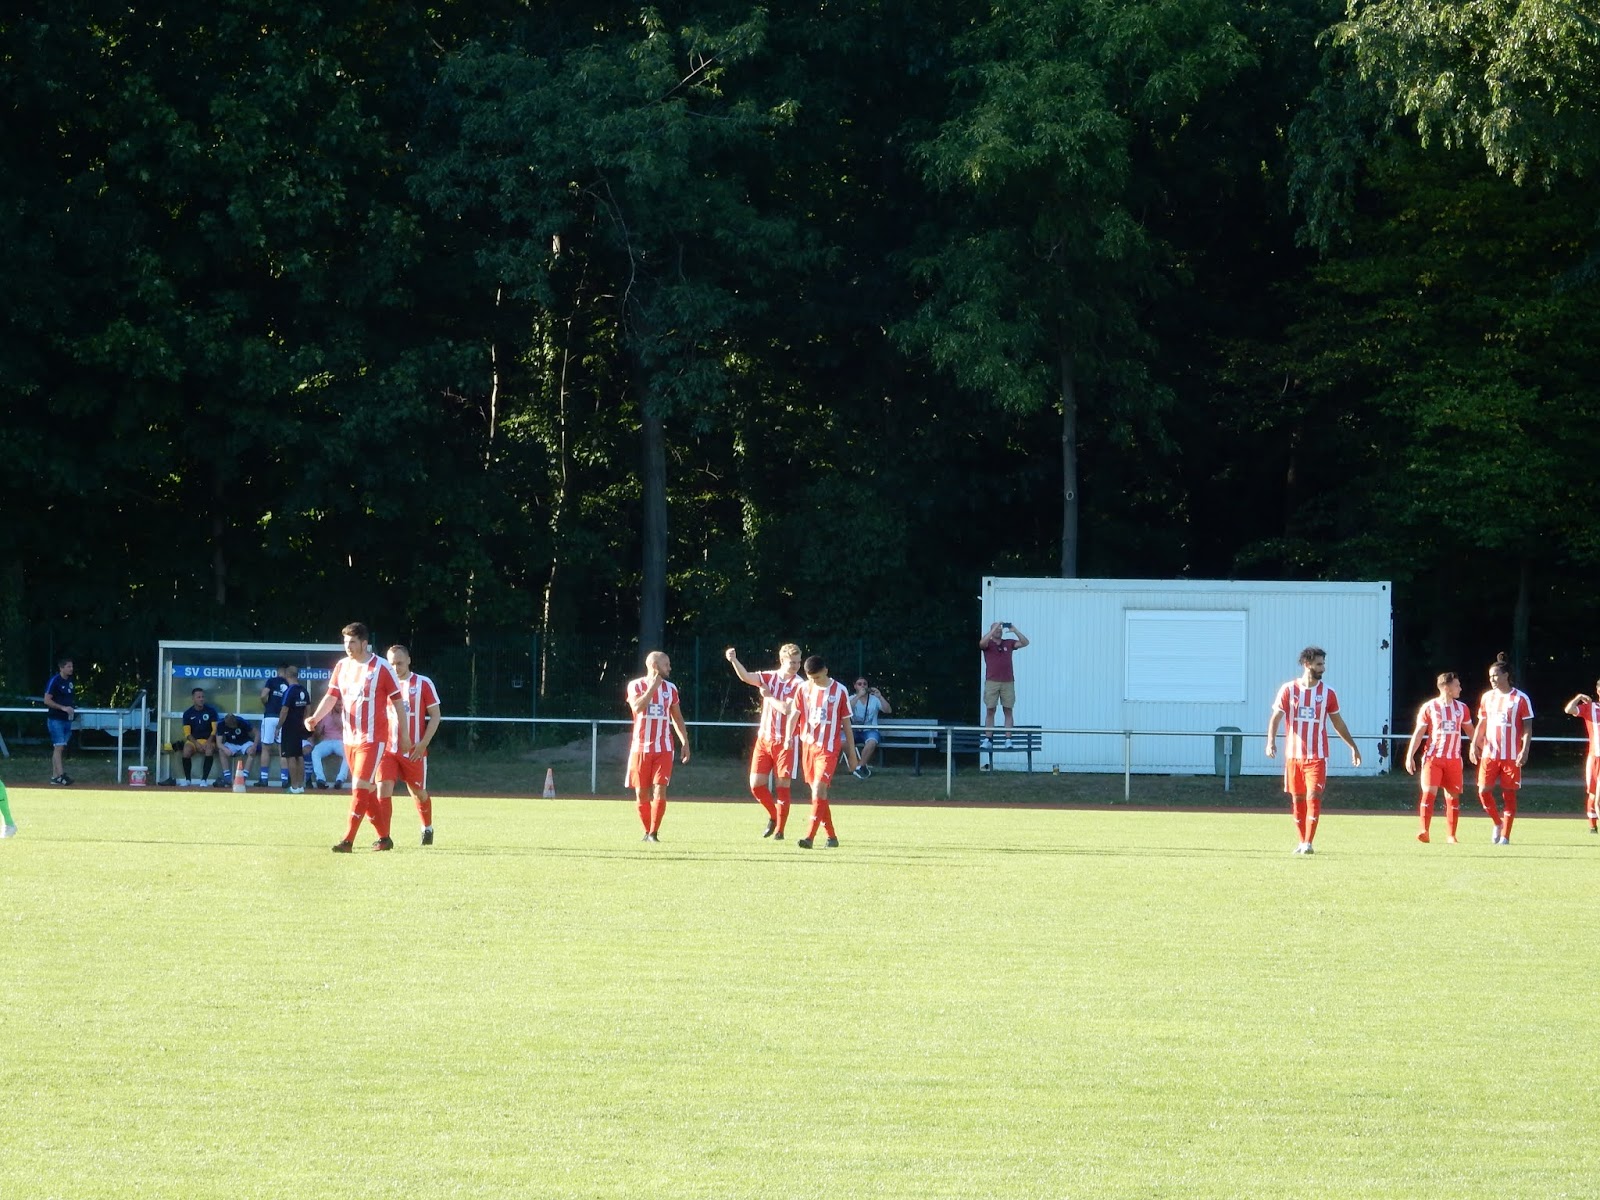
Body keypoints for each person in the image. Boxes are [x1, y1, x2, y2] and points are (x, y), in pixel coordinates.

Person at [303, 622, 411, 853]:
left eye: (352, 642)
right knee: (368, 791)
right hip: (349, 738)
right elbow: (331, 697)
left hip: (373, 738)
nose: (348, 646)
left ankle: (347, 840)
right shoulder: (342, 666)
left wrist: (404, 734)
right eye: (345, 642)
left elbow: (398, 703)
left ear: (364, 643)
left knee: (359, 786)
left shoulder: (381, 668)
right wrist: (315, 718)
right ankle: (384, 838)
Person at [1265, 645, 1363, 854]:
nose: (1323, 668)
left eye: (1323, 664)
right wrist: (1270, 741)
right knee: (1297, 799)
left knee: (1313, 796)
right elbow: (1276, 717)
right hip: (1293, 756)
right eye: (1319, 664)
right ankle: (1301, 841)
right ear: (1307, 664)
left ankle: (1308, 843)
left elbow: (1338, 723)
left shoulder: (1328, 693)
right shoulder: (1288, 690)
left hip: (1317, 756)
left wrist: (1352, 747)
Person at [725, 643, 804, 838]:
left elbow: (787, 709)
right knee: (756, 784)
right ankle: (774, 815)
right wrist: (734, 660)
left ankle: (780, 831)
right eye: (792, 662)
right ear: (782, 660)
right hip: (765, 738)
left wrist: (767, 697)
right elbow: (746, 677)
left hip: (787, 741)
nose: (796, 666)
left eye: (798, 662)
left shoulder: (799, 685)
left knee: (782, 786)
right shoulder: (770, 676)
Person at [786, 653, 863, 849]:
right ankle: (832, 837)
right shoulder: (803, 689)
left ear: (826, 671)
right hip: (808, 747)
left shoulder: (840, 691)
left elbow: (847, 725)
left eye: (818, 678)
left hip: (828, 748)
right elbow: (794, 715)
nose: (814, 681)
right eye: (811, 678)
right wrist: (788, 738)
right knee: (817, 794)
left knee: (819, 788)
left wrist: (852, 756)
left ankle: (809, 838)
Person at [626, 651, 690, 842]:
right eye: (666, 664)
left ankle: (654, 833)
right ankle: (647, 831)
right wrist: (652, 687)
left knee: (660, 788)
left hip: (664, 748)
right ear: (655, 666)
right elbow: (637, 707)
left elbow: (677, 718)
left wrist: (685, 742)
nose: (669, 668)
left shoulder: (671, 689)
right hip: (640, 748)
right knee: (641, 792)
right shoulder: (635, 685)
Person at [380, 645, 442, 845]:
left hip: (414, 750)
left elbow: (435, 716)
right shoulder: (383, 685)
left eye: (399, 663)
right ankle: (384, 836)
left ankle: (427, 827)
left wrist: (423, 744)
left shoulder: (423, 683)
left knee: (418, 792)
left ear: (408, 660)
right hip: (388, 749)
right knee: (383, 790)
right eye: (391, 664)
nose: (395, 667)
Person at [1470, 652, 1533, 845]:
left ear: (1506, 675)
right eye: (1490, 676)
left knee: (1508, 794)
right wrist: (1474, 744)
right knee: (1483, 791)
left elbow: (1527, 728)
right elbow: (1482, 723)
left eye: (1496, 675)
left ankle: (1505, 836)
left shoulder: (1521, 699)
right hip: (1490, 753)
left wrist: (1525, 750)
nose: (1492, 680)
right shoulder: (1487, 697)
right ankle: (1497, 823)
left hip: (1511, 755)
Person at [1403, 672, 1474, 843]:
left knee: (1453, 796)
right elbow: (1419, 733)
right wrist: (1409, 755)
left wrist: (1479, 747)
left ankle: (1451, 835)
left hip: (1453, 759)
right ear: (1446, 688)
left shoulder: (1462, 708)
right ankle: (1424, 831)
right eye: (1457, 685)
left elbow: (1471, 731)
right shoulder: (1429, 707)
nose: (1460, 688)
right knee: (1429, 793)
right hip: (1433, 758)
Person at [979, 622, 1029, 749]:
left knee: (1008, 709)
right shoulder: (988, 644)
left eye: (1000, 629)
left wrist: (1015, 630)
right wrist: (992, 630)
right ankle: (988, 739)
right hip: (992, 681)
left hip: (1008, 681)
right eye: (996, 629)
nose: (999, 631)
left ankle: (1008, 740)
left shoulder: (1008, 643)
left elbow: (1025, 642)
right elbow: (981, 643)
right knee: (990, 709)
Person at [1563, 681, 1600, 834]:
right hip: (1595, 757)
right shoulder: (1591, 708)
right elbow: (1569, 709)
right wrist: (1578, 697)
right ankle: (1592, 825)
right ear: (1598, 690)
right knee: (1592, 793)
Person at [177, 687, 221, 787]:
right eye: (198, 697)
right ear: (193, 699)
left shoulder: (211, 711)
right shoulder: (188, 713)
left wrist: (209, 742)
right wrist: (196, 744)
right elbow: (187, 734)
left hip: (208, 740)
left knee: (209, 749)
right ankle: (188, 780)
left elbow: (214, 730)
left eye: (202, 697)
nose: (201, 699)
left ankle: (204, 780)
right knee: (186, 750)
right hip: (194, 741)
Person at [276, 665, 310, 794]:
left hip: (289, 727)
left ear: (287, 675)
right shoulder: (303, 690)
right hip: (299, 726)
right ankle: (301, 785)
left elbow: (284, 710)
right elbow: (308, 709)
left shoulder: (289, 691)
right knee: (299, 756)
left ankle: (294, 786)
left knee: (290, 756)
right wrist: (304, 722)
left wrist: (279, 726)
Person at [42, 656, 76, 786]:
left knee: (58, 748)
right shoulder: (54, 681)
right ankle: (61, 776)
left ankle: (55, 776)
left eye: (71, 666)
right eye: (68, 666)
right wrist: (62, 708)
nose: (71, 669)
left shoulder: (70, 682)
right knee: (59, 746)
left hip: (67, 719)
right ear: (61, 668)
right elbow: (47, 700)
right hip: (56, 719)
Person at [258, 662, 292, 787]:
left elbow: (263, 696)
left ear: (277, 671)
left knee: (266, 748)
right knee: (282, 750)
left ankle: (264, 779)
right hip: (282, 718)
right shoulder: (289, 684)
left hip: (270, 716)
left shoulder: (272, 681)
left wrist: (267, 705)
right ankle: (284, 780)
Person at [849, 675, 893, 768]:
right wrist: (858, 696)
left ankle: (860, 766)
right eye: (859, 684)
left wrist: (880, 696)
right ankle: (855, 764)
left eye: (865, 684)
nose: (862, 686)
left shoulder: (874, 699)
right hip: (854, 731)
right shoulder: (851, 698)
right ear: (855, 686)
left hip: (870, 730)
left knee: (872, 742)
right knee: (842, 741)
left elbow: (888, 710)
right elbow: (847, 710)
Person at [311, 706, 350, 789]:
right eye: (337, 703)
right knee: (315, 751)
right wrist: (317, 728)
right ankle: (320, 779)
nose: (339, 705)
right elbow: (318, 733)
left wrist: (338, 721)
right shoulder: (325, 715)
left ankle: (340, 779)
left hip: (340, 741)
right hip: (327, 741)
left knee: (348, 753)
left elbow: (348, 729)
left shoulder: (346, 714)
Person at [216, 713, 258, 783]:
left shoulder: (242, 722)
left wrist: (254, 746)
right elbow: (219, 743)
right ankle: (227, 777)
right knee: (221, 751)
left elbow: (257, 733)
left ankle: (243, 776)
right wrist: (225, 749)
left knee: (251, 752)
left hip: (245, 742)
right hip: (231, 743)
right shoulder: (220, 724)